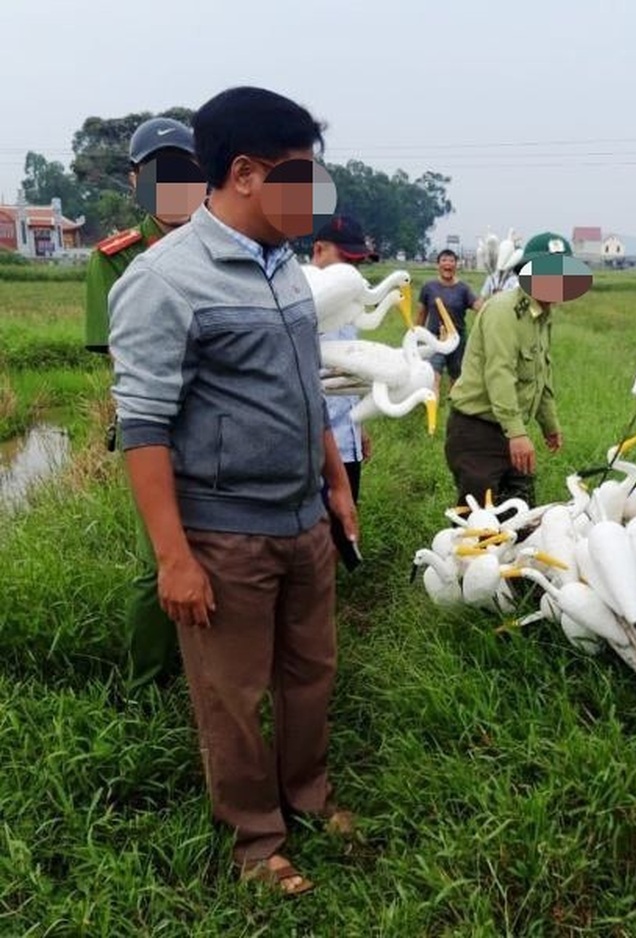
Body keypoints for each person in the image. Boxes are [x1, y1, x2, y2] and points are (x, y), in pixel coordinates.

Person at [109, 86, 358, 895]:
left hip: (302, 519)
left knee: (310, 669)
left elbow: (306, 389)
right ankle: (255, 840)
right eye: (301, 178)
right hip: (224, 530)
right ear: (246, 174)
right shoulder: (165, 280)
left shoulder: (286, 270)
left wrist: (335, 486)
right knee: (232, 692)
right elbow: (142, 427)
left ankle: (308, 794)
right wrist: (173, 557)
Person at [84, 116, 206, 693]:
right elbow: (123, 358)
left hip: (231, 427)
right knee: (158, 556)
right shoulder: (116, 258)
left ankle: (214, 671)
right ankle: (150, 685)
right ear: (137, 182)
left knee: (230, 552)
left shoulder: (229, 244)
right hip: (158, 429)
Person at [444, 232, 574, 508]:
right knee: (478, 527)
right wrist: (517, 434)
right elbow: (499, 374)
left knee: (522, 519)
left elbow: (540, 376)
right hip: (478, 432)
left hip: (509, 429)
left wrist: (549, 424)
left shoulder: (542, 316)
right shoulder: (504, 311)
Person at [311, 214, 375, 567]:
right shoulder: (301, 300)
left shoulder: (348, 304)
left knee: (343, 526)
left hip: (345, 438)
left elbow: (351, 368)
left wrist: (359, 425)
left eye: (359, 264)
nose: (354, 272)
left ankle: (326, 601)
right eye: (346, 261)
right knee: (314, 532)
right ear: (318, 250)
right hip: (314, 442)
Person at [416, 249, 482, 402]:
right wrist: (416, 338)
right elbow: (421, 314)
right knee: (434, 376)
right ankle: (432, 415)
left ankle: (454, 408)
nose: (448, 264)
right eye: (444, 260)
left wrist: (491, 301)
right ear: (438, 265)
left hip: (457, 340)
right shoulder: (429, 287)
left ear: (456, 265)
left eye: (451, 261)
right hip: (435, 339)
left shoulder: (463, 289)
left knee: (456, 378)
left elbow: (478, 306)